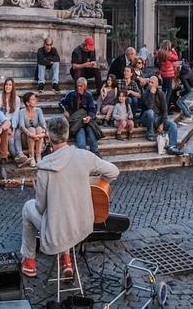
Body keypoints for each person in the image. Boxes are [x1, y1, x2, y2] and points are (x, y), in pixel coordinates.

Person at [19, 117, 119, 279]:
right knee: (63, 209)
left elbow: (41, 208)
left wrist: (41, 191)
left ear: (49, 137)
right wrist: (99, 184)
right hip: (83, 227)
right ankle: (66, 260)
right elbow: (113, 172)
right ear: (67, 134)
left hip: (57, 232)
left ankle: (29, 261)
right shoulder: (84, 156)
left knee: (28, 208)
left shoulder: (45, 166)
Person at [59, 77, 100, 154]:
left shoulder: (89, 95)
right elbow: (61, 102)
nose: (79, 88)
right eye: (78, 86)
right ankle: (83, 154)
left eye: (81, 86)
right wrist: (65, 110)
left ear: (85, 87)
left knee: (91, 130)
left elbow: (92, 109)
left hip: (86, 120)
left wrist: (89, 117)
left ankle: (95, 152)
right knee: (81, 138)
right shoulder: (71, 94)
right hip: (76, 122)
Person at [141, 75, 179, 153]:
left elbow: (165, 110)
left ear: (157, 84)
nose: (150, 84)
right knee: (150, 112)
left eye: (153, 83)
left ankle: (172, 147)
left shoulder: (161, 94)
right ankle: (150, 134)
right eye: (150, 82)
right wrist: (151, 94)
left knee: (173, 125)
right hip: (146, 118)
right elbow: (149, 106)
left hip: (158, 118)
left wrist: (162, 123)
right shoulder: (145, 93)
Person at [13, 91, 46, 167]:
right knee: (31, 129)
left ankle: (38, 156)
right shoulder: (22, 112)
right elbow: (22, 126)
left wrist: (42, 133)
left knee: (39, 128)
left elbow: (43, 124)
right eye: (33, 99)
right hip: (27, 139)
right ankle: (31, 157)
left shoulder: (38, 110)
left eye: (35, 99)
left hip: (38, 138)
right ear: (27, 103)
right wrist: (30, 134)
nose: (35, 101)